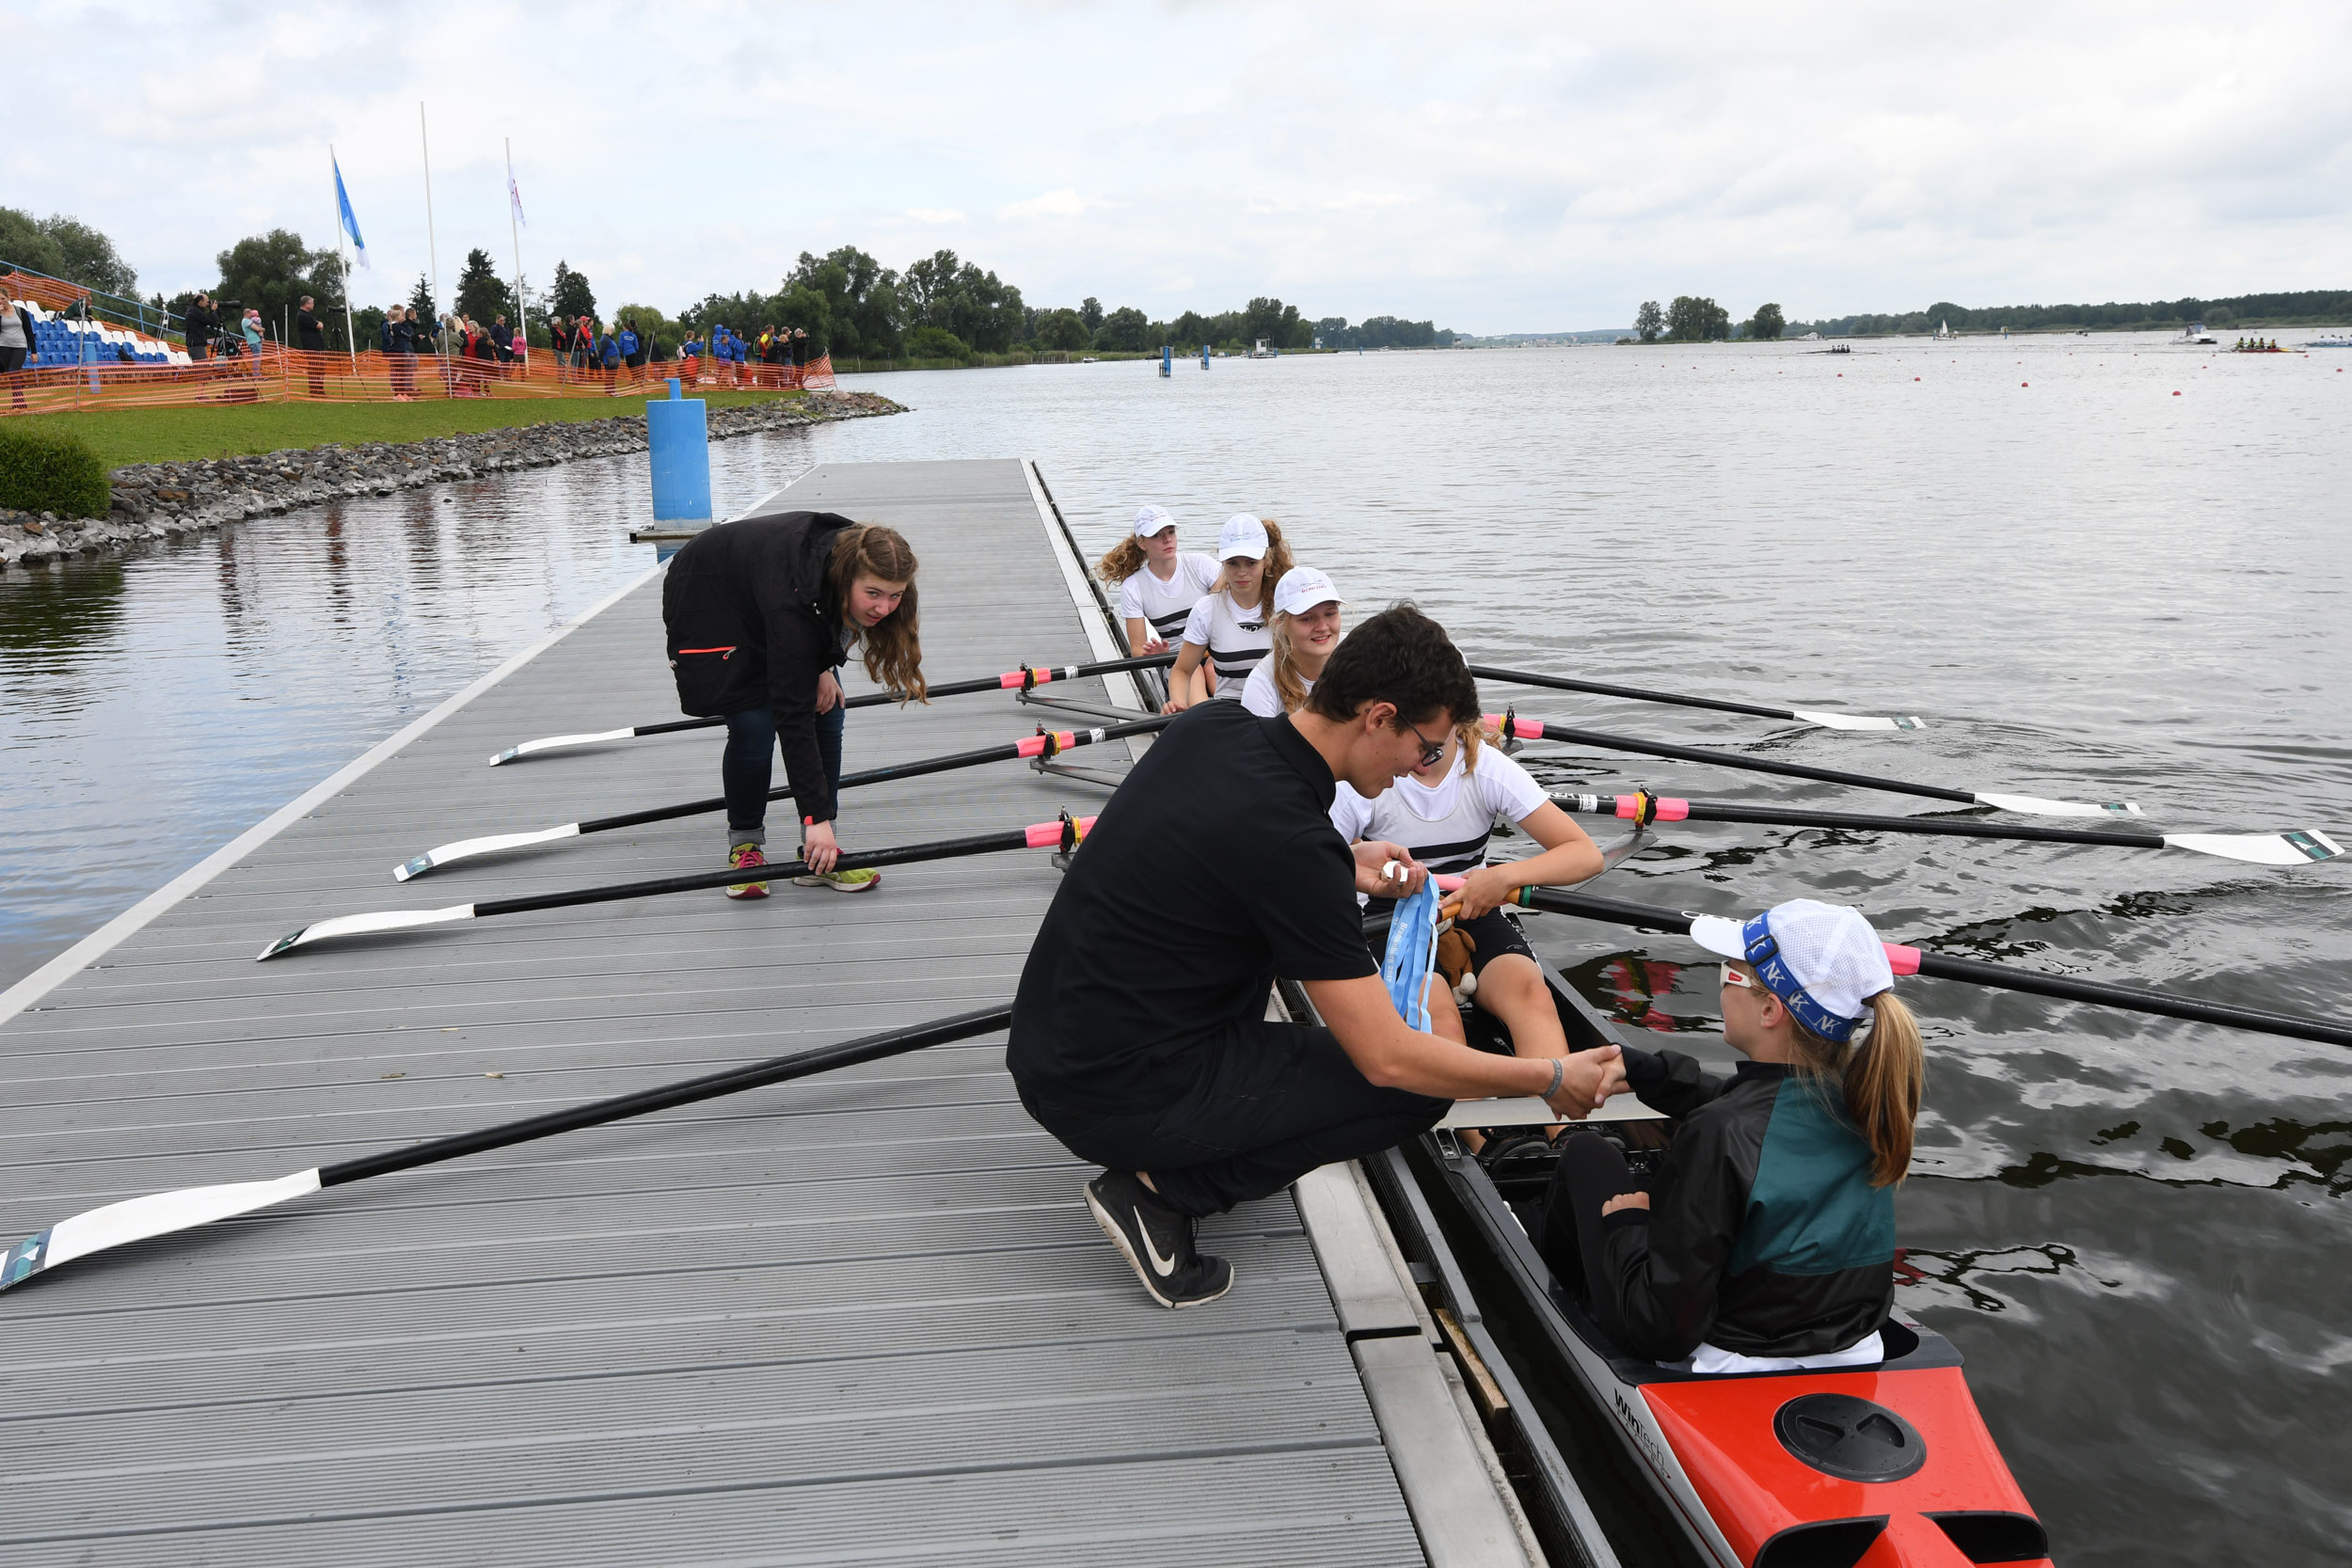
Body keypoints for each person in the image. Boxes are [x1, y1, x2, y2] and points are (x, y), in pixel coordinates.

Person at [1010, 604, 1628, 1307]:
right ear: (1377, 716)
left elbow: (1232, 843)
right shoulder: (1294, 846)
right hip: (1108, 1088)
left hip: (1051, 1040)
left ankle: (1172, 1146)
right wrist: (1546, 1077)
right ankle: (1159, 1195)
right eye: (1426, 749)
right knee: (1413, 1089)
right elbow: (1387, 1056)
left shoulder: (1215, 726)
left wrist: (1343, 859)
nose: (1418, 769)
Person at [1536, 898, 1923, 1372]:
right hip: (1854, 1343)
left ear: (1769, 1010)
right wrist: (1649, 1073)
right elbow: (1759, 1116)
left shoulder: (1718, 1132)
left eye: (1728, 975)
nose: (1720, 987)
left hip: (1727, 1359)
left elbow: (1663, 1329)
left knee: (1588, 1154)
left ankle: (1564, 1305)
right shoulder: (1869, 1100)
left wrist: (1627, 1230)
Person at [660, 513, 926, 897]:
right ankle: (746, 846)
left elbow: (816, 627)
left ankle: (818, 853)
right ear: (847, 578)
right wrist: (813, 814)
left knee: (829, 708)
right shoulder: (795, 603)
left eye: (895, 595)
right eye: (873, 594)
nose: (884, 608)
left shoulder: (869, 559)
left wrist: (820, 666)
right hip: (710, 589)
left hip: (773, 588)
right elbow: (792, 715)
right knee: (754, 723)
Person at [1333, 710, 1602, 1068]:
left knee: (1532, 996)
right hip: (1389, 915)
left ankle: (1565, 1122)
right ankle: (1472, 1124)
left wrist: (1505, 877)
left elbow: (1585, 854)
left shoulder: (1485, 765)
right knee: (1436, 1014)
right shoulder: (1364, 775)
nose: (1424, 758)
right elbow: (1314, 869)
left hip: (1473, 905)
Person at [1164, 514, 1292, 711]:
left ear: (1266, 561)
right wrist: (1178, 704)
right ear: (1222, 562)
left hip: (1280, 710)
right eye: (1233, 563)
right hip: (1231, 714)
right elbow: (1181, 671)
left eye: (1250, 563)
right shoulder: (1207, 610)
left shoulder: (1286, 606)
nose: (1242, 572)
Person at [1096, 504, 1218, 662]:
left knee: (1211, 668)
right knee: (1195, 675)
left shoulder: (1201, 565)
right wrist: (1156, 655)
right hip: (1175, 660)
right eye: (1157, 535)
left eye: (1171, 532)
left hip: (1215, 652)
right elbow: (1138, 650)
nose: (1167, 540)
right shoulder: (1133, 587)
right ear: (1142, 543)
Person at [1241, 565, 1343, 718]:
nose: (1322, 627)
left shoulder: (1360, 652)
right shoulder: (1262, 682)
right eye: (1307, 618)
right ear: (1281, 626)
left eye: (1329, 614)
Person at [1, 289, 33, 409]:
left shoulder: (20, 311)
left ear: (8, 297)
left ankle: (18, 403)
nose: (1, 301)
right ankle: (20, 402)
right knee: (12, 373)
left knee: (13, 370)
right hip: (3, 346)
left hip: (19, 346)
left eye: (3, 298)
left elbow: (29, 331)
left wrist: (34, 351)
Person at [295, 293, 326, 396]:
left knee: (320, 369)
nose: (313, 305)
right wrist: (319, 324)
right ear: (306, 304)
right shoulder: (303, 315)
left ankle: (319, 389)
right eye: (312, 303)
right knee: (315, 368)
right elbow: (318, 325)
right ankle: (315, 390)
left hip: (316, 346)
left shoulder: (306, 315)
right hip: (312, 346)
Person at [183, 293, 219, 361]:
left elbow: (208, 320)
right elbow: (210, 321)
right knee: (203, 367)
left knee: (202, 367)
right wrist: (213, 310)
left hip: (196, 343)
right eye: (207, 301)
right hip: (196, 344)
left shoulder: (195, 310)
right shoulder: (195, 311)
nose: (208, 304)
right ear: (200, 301)